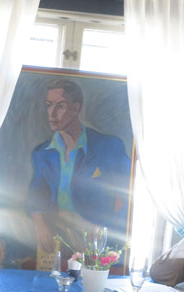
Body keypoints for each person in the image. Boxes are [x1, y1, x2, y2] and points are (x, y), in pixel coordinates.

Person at [25, 78, 131, 256]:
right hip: (57, 224)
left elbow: (128, 192)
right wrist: (39, 223)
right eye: (49, 105)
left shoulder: (108, 146)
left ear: (75, 109)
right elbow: (37, 192)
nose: (52, 113)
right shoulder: (42, 152)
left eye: (60, 106)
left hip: (93, 228)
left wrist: (105, 227)